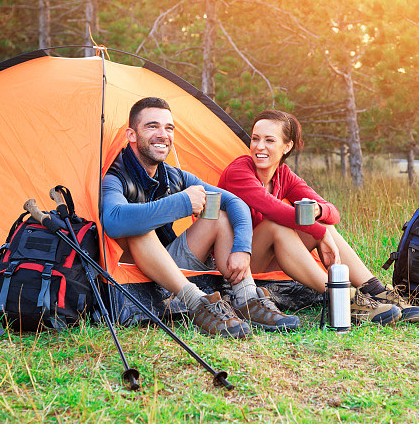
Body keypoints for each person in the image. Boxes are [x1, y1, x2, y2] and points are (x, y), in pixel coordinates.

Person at [101, 98, 299, 338]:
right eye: (152, 127)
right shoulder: (114, 176)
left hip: (169, 261)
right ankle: (198, 304)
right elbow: (113, 220)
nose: (162, 135)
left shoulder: (175, 176)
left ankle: (247, 298)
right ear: (131, 135)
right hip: (131, 270)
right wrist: (183, 203)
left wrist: (242, 248)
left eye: (169, 128)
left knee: (220, 216)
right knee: (138, 226)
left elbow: (235, 202)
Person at [218, 110, 419, 325]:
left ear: (287, 146)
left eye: (269, 140)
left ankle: (376, 291)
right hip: (234, 262)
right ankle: (348, 299)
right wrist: (319, 233)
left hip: (264, 260)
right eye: (255, 139)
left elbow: (332, 212)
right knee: (277, 225)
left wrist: (318, 213)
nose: (259, 146)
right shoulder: (239, 170)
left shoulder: (284, 175)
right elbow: (275, 210)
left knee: (323, 223)